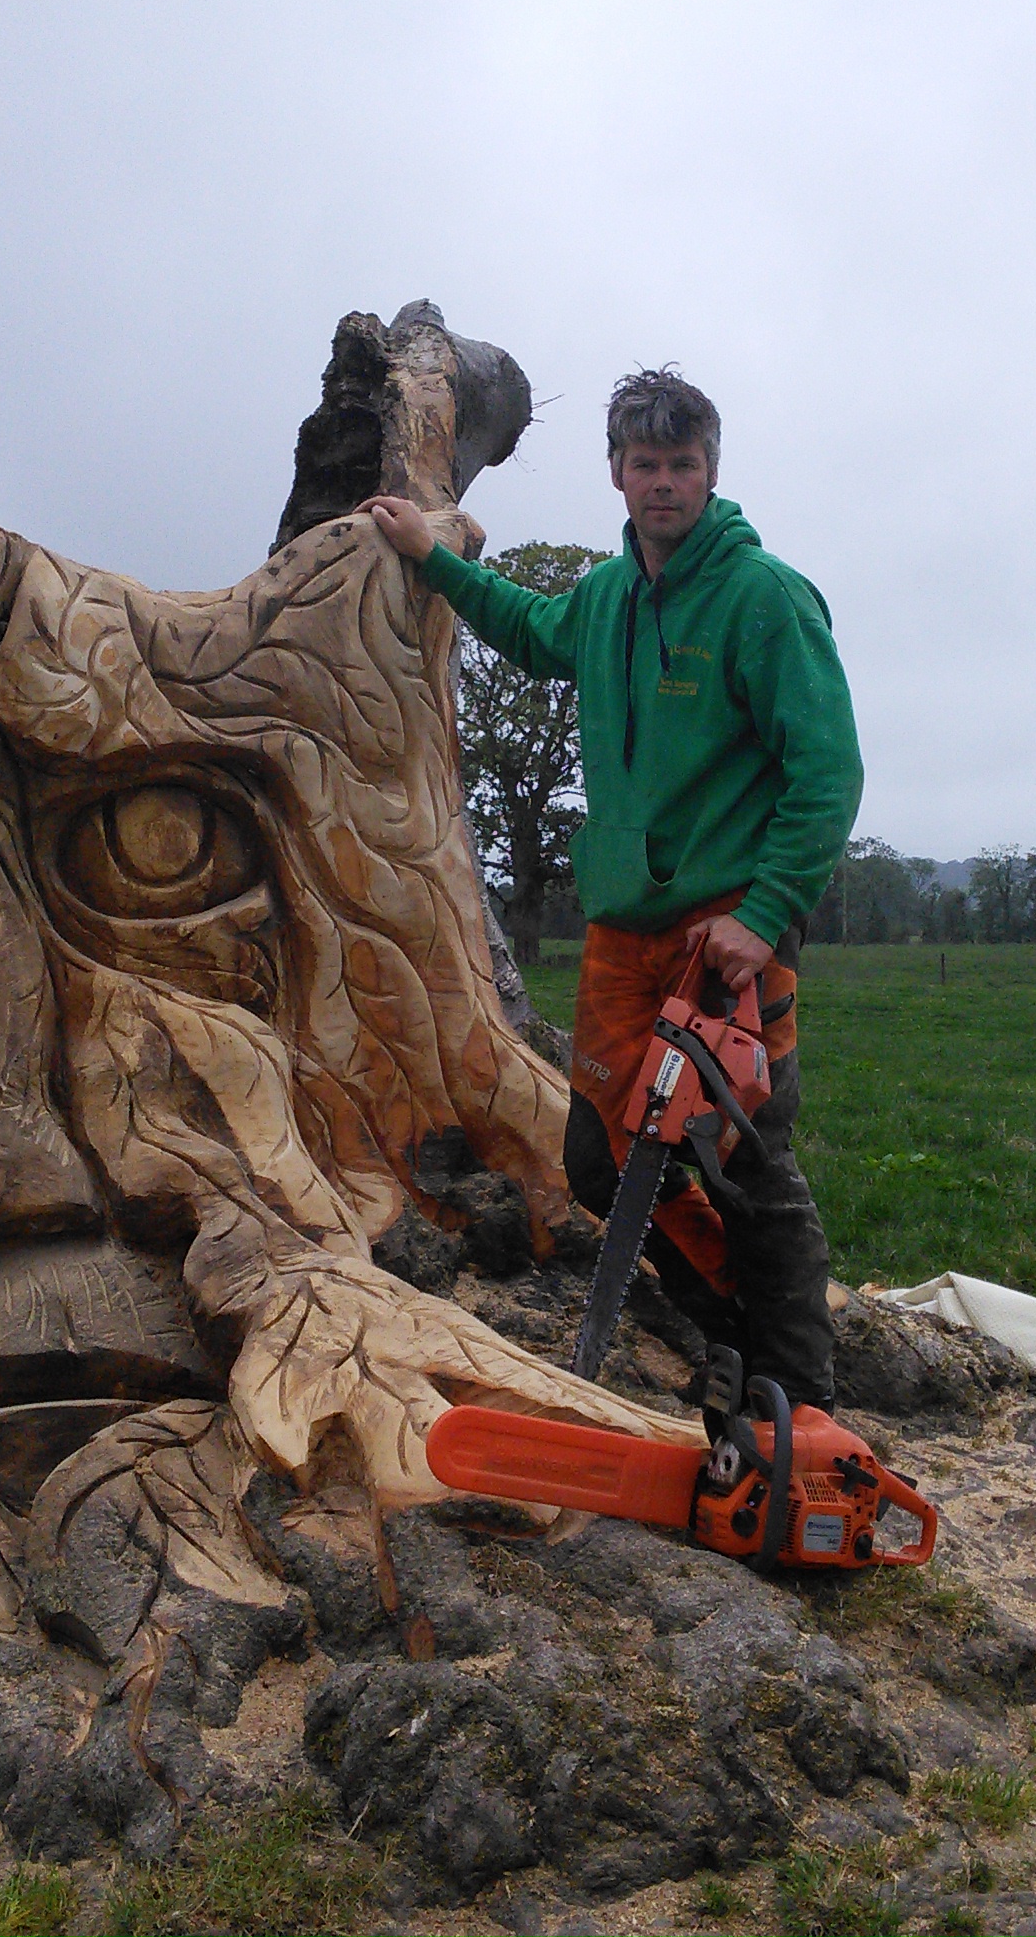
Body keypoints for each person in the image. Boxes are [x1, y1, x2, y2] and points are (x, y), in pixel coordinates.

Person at [363, 368, 863, 1409]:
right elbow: (531, 630)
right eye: (647, 465)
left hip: (727, 935)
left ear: (709, 472)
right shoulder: (604, 596)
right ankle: (729, 1336)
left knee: (751, 1167)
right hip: (623, 936)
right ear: (618, 475)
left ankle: (802, 1397)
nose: (665, 484)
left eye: (683, 465)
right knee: (602, 1163)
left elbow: (828, 775)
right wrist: (431, 557)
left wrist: (763, 916)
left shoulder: (764, 599)